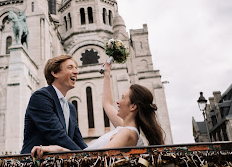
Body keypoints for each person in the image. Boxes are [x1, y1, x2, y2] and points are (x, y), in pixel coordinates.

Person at [31, 61, 164, 157]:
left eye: (123, 98)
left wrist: (58, 149)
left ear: (133, 106)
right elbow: (107, 103)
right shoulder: (125, 127)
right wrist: (107, 74)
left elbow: (93, 158)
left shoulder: (127, 133)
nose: (118, 101)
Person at [21, 55, 87, 154]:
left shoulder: (70, 108)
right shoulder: (41, 97)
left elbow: (78, 141)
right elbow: (56, 135)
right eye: (70, 68)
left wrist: (93, 154)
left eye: (76, 68)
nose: (76, 72)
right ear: (55, 73)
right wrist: (84, 155)